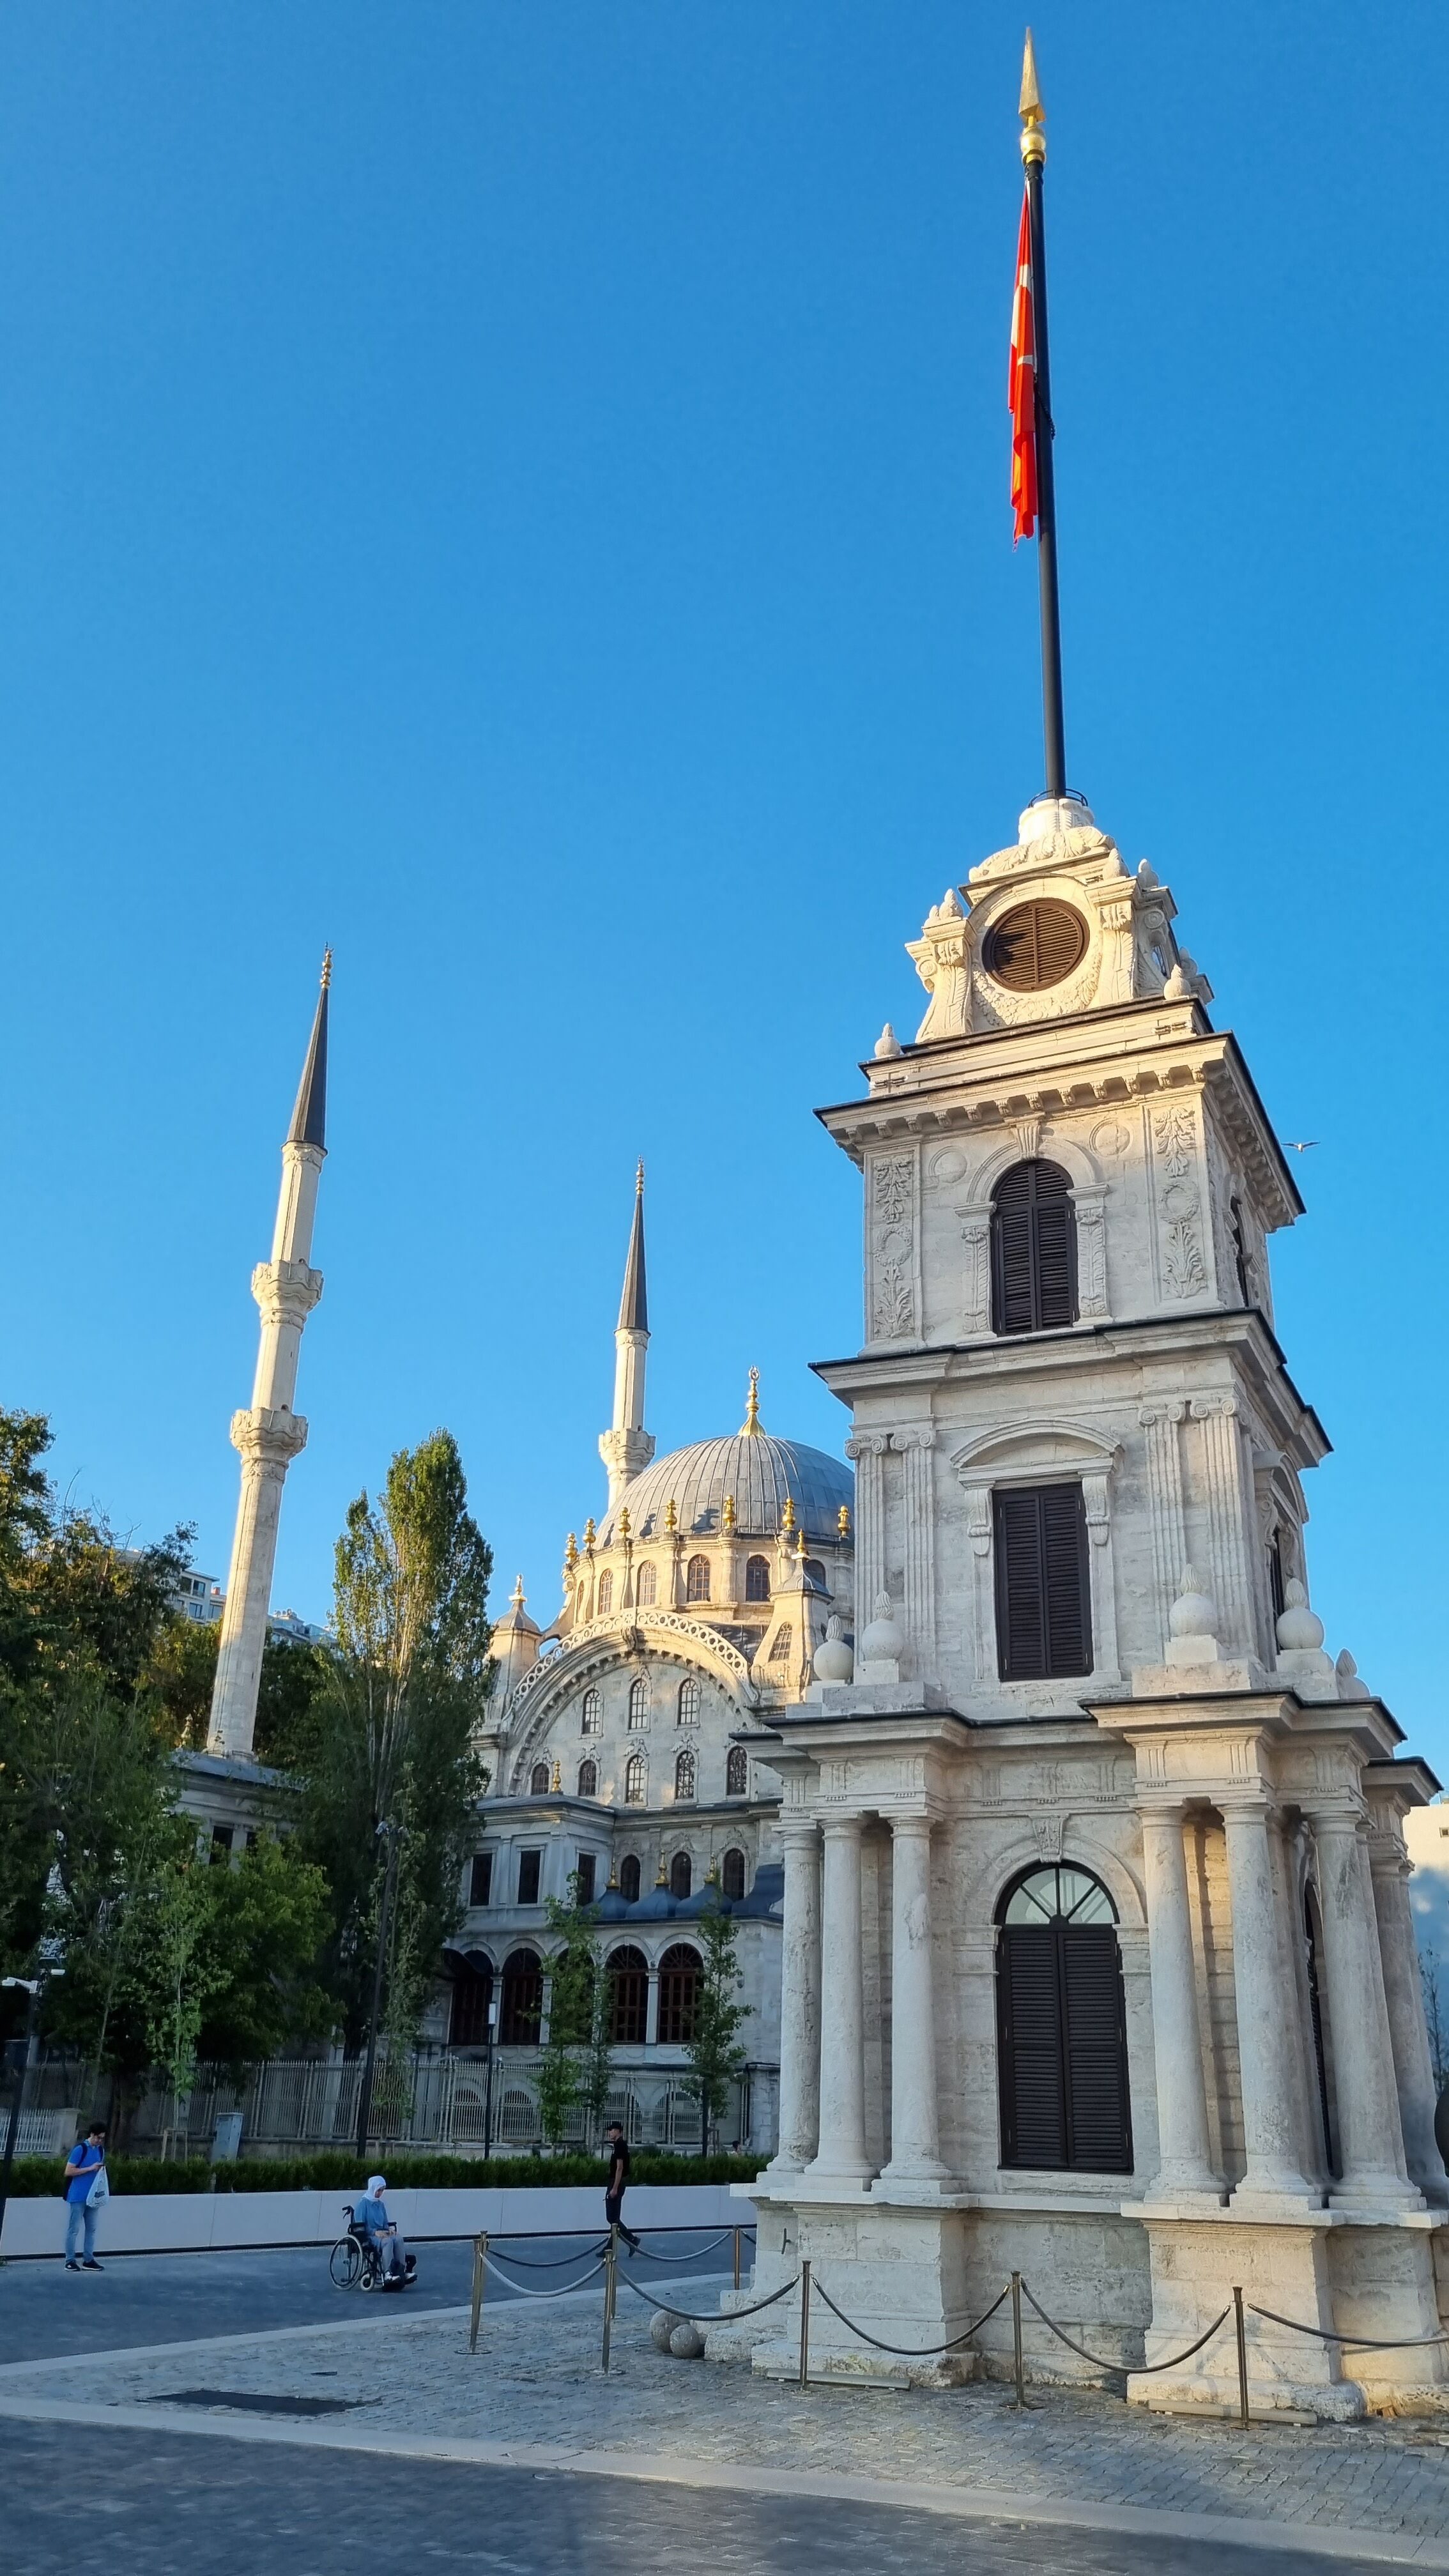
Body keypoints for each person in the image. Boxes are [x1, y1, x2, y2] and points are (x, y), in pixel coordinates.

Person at [62, 2122, 107, 2272]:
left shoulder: (100, 2150)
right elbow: (69, 2171)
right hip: (78, 2195)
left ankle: (88, 2259)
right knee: (73, 2229)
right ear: (92, 2135)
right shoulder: (80, 2150)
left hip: (92, 2196)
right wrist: (90, 2168)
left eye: (102, 2138)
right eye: (99, 2138)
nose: (100, 2141)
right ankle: (70, 2260)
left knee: (91, 2229)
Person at [356, 2173, 410, 2283]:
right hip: (369, 2235)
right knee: (387, 2242)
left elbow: (385, 2223)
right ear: (373, 2188)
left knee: (398, 2239)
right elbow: (360, 2225)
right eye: (379, 2190)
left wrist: (389, 2230)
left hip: (382, 2233)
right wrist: (374, 2232)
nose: (381, 2193)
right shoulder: (363, 2204)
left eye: (382, 2190)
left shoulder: (381, 2205)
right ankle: (387, 2273)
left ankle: (401, 2270)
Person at [604, 2120, 641, 2253]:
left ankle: (632, 2239)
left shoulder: (620, 2145)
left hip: (616, 2182)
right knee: (615, 2217)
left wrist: (615, 2188)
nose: (610, 2132)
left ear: (618, 2131)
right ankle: (610, 2247)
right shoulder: (618, 2145)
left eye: (612, 2130)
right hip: (617, 2182)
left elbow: (620, 2168)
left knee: (612, 2217)